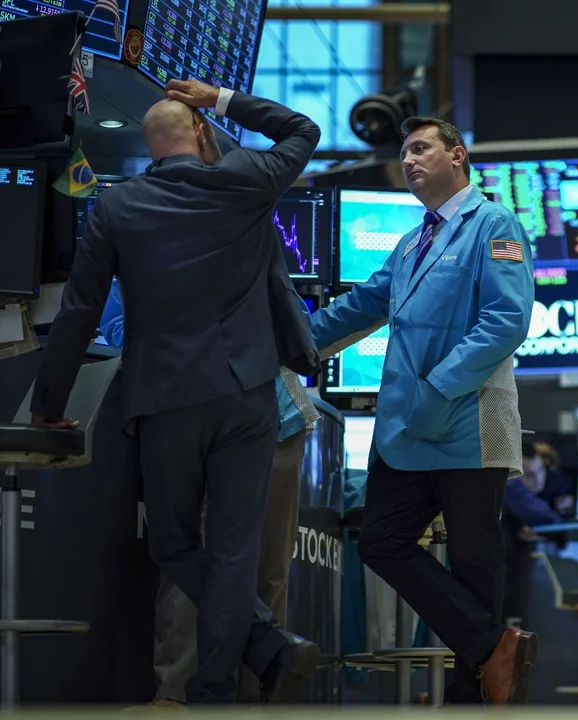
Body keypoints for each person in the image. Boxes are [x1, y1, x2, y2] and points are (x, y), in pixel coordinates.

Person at [29, 78, 322, 704]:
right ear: (200, 134)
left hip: (166, 399)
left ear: (149, 146)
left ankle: (267, 648)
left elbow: (79, 312)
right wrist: (219, 97)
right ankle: (222, 687)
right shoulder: (247, 180)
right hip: (248, 393)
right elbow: (303, 129)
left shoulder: (117, 206)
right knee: (234, 551)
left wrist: (49, 405)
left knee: (175, 543)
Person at [306, 116, 537, 705]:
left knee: (474, 565)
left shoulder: (494, 225)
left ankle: (469, 698)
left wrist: (438, 388)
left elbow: (507, 321)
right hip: (408, 431)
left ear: (458, 156)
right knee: (381, 541)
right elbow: (363, 304)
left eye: (420, 148)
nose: (408, 160)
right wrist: (290, 338)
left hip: (468, 421)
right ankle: (495, 646)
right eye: (404, 152)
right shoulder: (413, 241)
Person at [97, 277, 318, 705]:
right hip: (196, 411)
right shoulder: (133, 249)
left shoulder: (252, 241)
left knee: (269, 567)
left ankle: (259, 697)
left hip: (279, 416)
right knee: (195, 560)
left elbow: (295, 319)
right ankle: (177, 695)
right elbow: (118, 329)